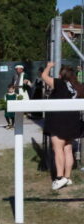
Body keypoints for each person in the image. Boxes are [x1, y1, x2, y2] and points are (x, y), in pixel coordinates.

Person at [42, 62, 84, 190]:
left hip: (59, 122)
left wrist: (49, 66)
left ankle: (60, 178)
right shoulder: (78, 86)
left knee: (58, 149)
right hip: (73, 121)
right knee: (68, 149)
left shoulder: (59, 83)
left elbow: (44, 76)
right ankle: (67, 177)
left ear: (61, 75)